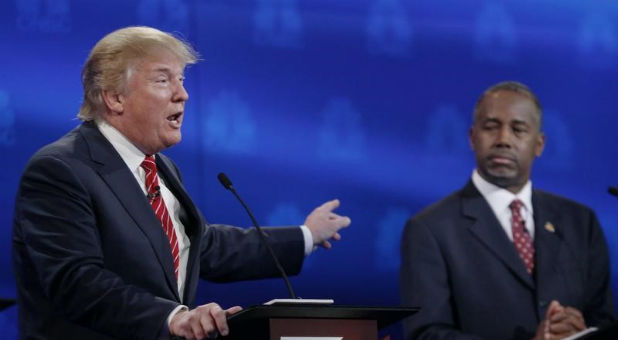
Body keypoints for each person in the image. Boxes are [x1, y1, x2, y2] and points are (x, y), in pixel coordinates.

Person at [12, 26, 351, 340]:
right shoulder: (61, 168)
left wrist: (305, 236)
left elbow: (206, 247)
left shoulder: (161, 167)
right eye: (163, 81)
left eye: (182, 79)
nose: (183, 94)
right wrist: (173, 317)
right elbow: (76, 281)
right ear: (114, 98)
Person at [400, 81, 615, 339]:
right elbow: (426, 334)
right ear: (472, 138)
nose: (503, 140)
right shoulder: (431, 229)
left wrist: (581, 333)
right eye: (491, 127)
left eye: (518, 129)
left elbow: (604, 321)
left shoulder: (580, 222)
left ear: (539, 143)